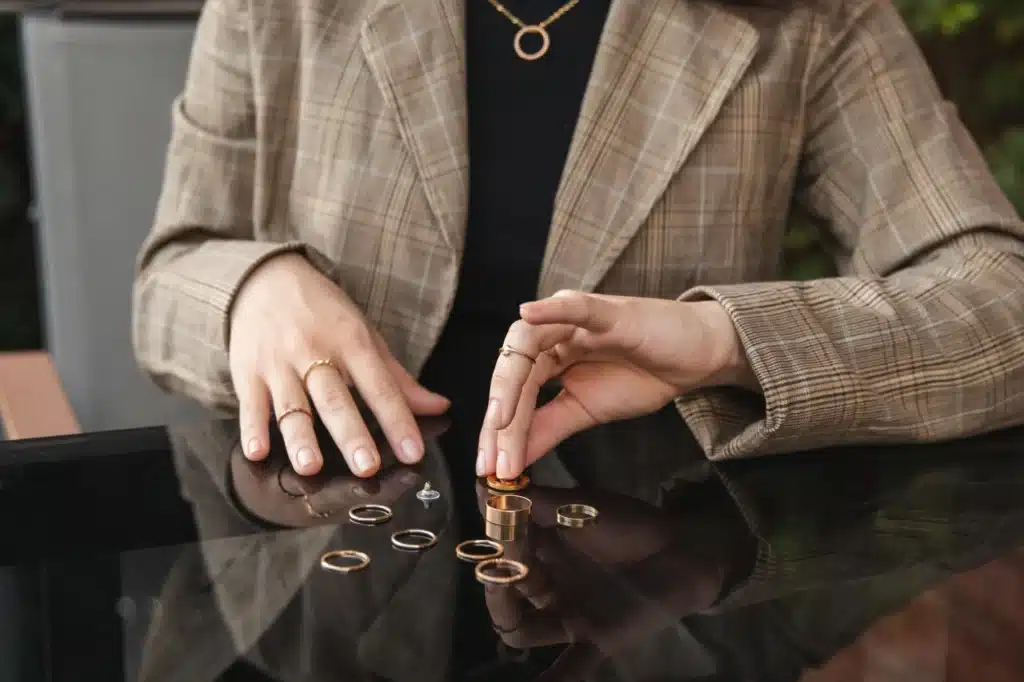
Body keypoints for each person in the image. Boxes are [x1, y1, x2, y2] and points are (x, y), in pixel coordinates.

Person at [132, 0, 1024, 484]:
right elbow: (169, 277)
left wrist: (726, 341)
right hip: (321, 567)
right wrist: (251, 290)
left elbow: (1002, 309)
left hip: (663, 588)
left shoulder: (818, 20)